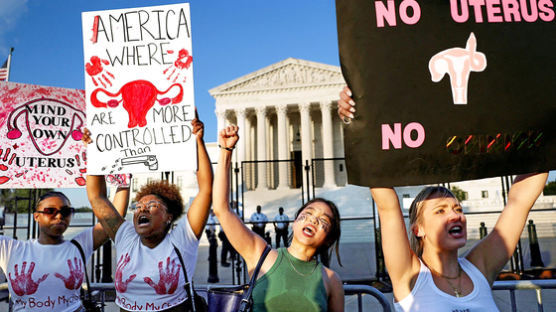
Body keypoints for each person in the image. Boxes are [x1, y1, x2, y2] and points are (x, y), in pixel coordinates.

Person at [338, 86, 548, 311]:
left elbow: (520, 201)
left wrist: (544, 120)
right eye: (440, 210)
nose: (455, 215)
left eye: (457, 209)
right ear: (418, 229)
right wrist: (357, 121)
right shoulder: (409, 275)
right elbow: (387, 205)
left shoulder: (480, 267)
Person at [86, 117, 213, 311]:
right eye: (137, 206)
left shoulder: (182, 239)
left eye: (152, 205)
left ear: (169, 216)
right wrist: (95, 150)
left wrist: (197, 141)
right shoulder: (126, 237)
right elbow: (97, 197)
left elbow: (206, 190)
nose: (142, 209)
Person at [213, 125, 344, 312]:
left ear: (329, 237)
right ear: (295, 220)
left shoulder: (331, 280)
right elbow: (221, 209)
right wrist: (226, 151)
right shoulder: (260, 255)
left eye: (323, 220)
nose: (313, 220)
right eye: (309, 213)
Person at [0, 187, 129, 312]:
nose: (59, 215)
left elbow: (113, 218)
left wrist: (123, 180)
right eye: (50, 211)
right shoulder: (11, 249)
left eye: (66, 211)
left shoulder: (79, 246)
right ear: (36, 216)